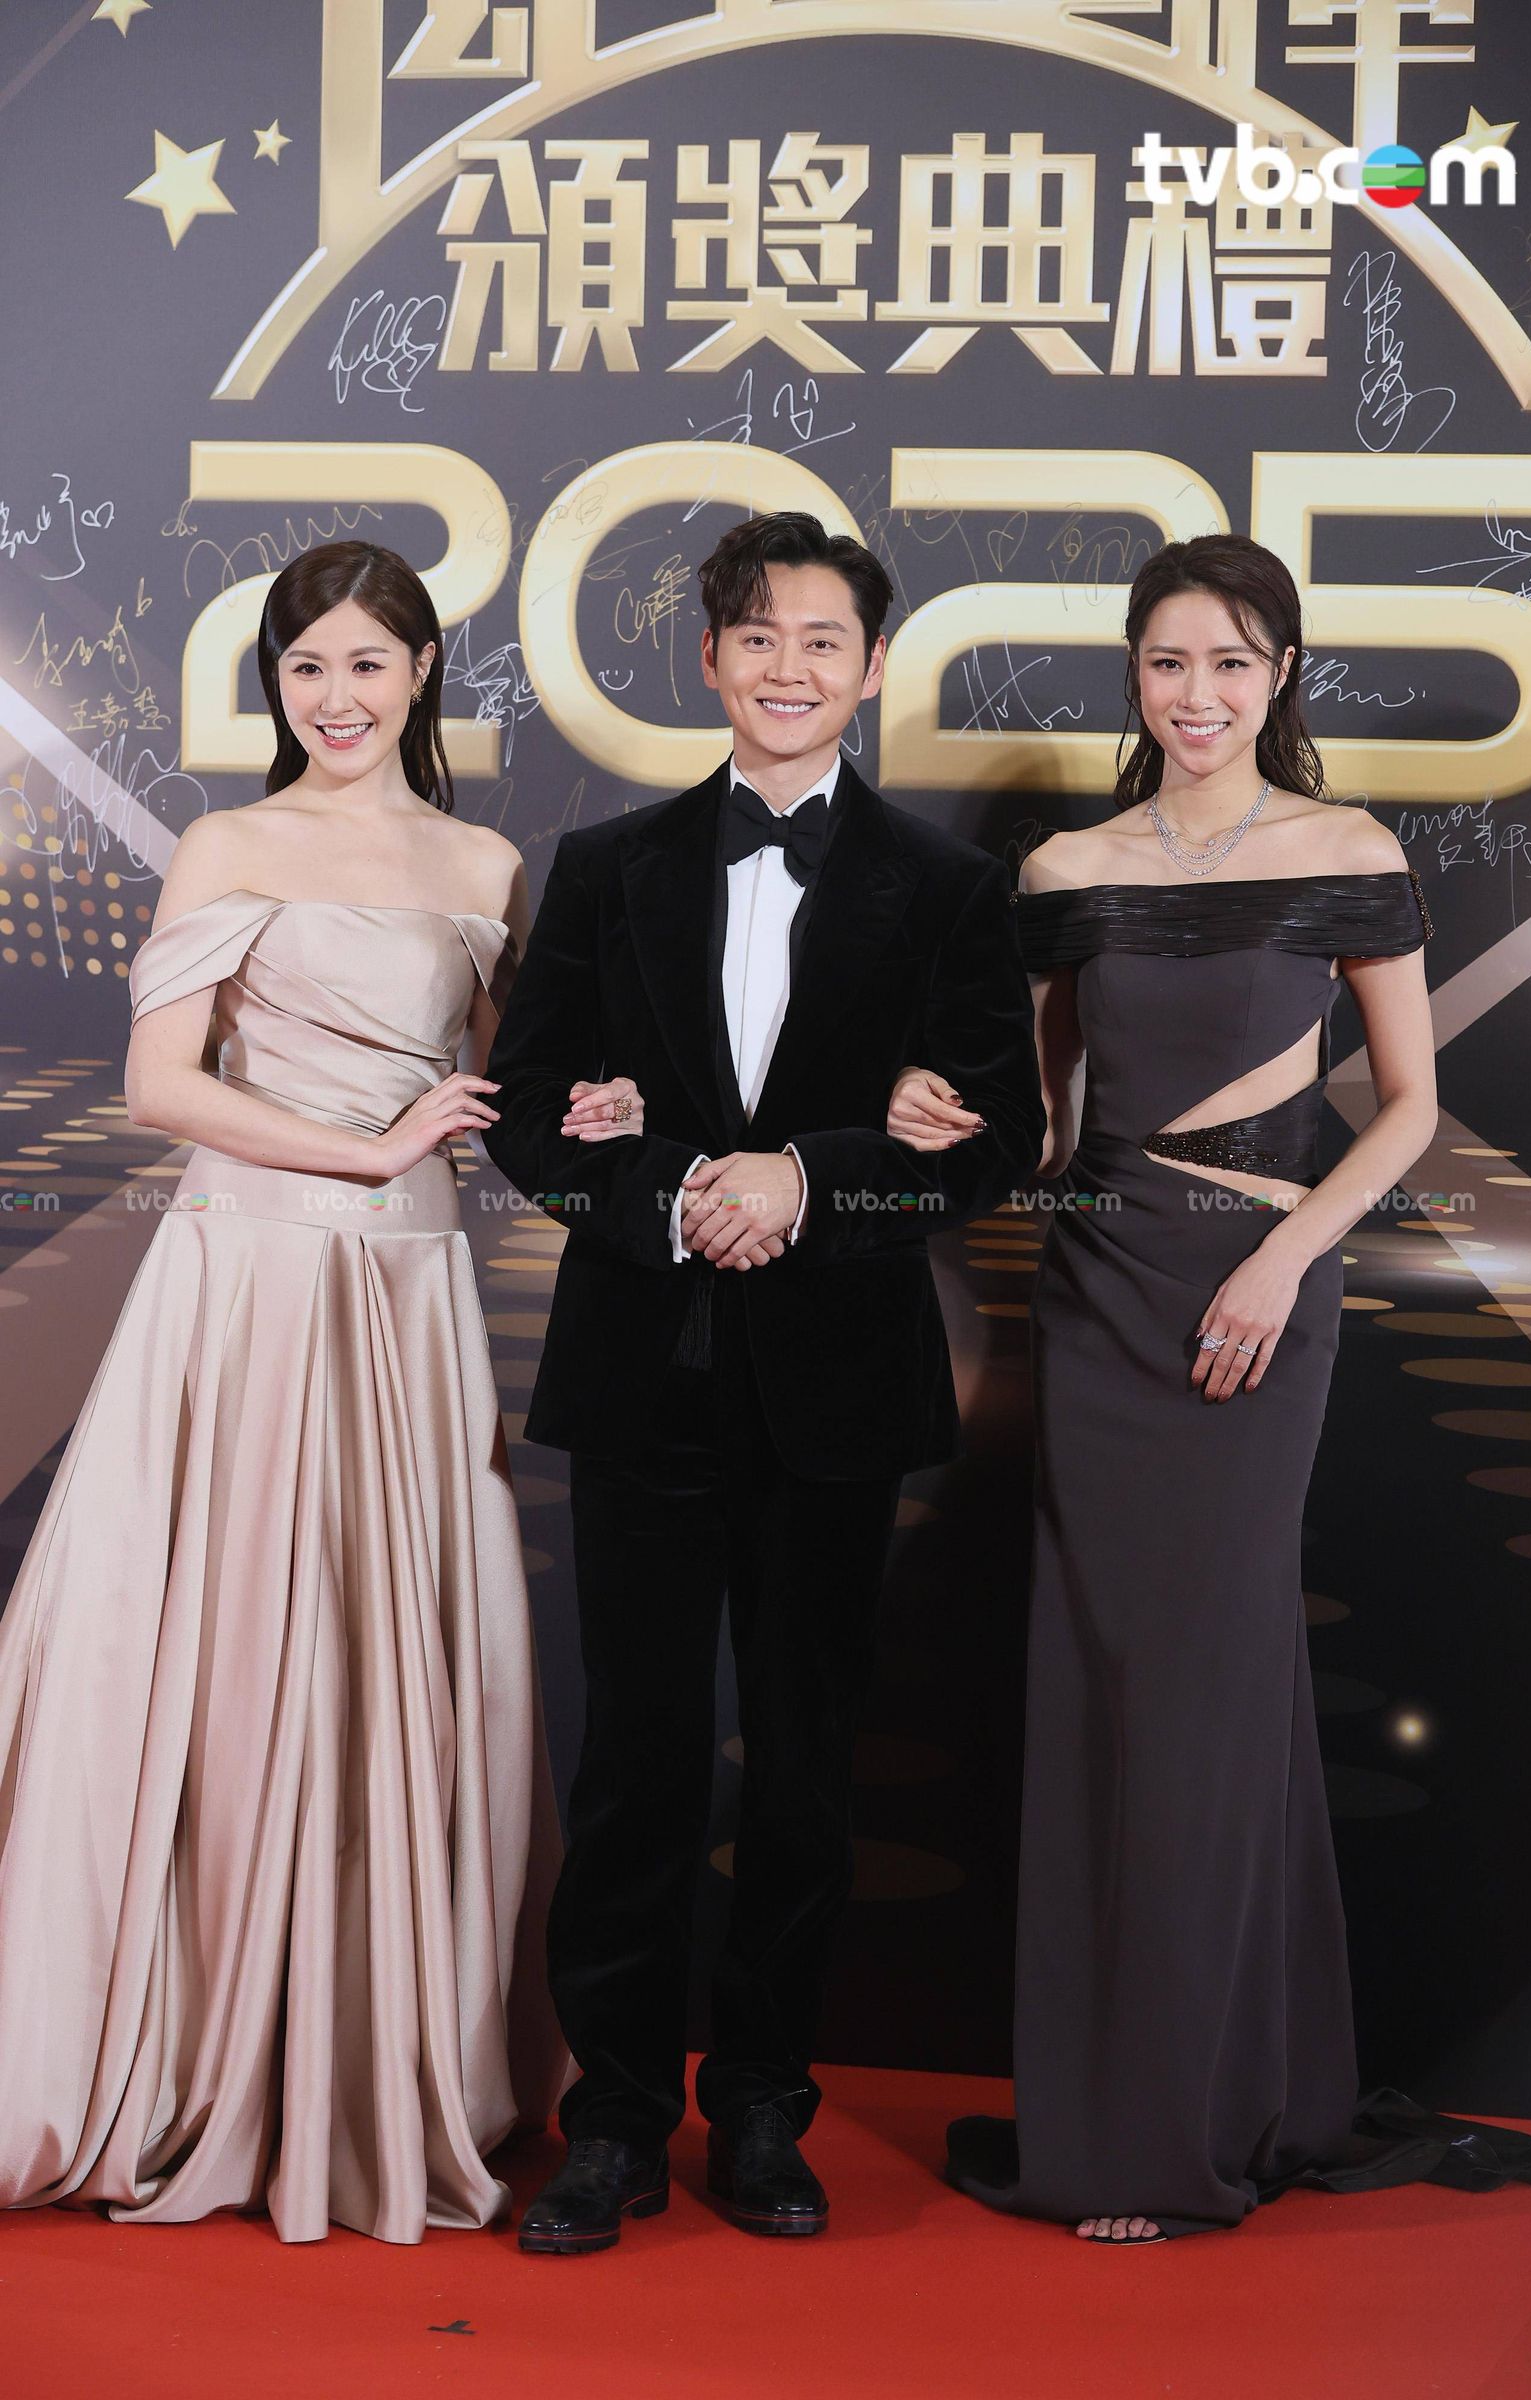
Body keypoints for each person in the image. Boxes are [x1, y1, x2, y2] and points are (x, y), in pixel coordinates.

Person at [888, 533, 1531, 2240]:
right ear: (1132, 677)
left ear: (1280, 674)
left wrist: (1288, 1259)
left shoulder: (1345, 850)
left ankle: (1171, 2134)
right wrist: (936, 1115)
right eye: (1166, 662)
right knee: (1109, 1693)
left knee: (1201, 1701)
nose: (1195, 694)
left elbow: (1409, 1105)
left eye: (1229, 662)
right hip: (1100, 1295)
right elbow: (1050, 1133)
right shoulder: (1069, 866)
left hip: (1257, 1301)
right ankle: (1185, 2097)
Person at [483, 510, 1046, 2253]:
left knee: (804, 1767)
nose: (788, 667)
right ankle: (614, 2123)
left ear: (871, 670)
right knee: (636, 1764)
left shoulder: (947, 889)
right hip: (641, 1375)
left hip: (839, 1387)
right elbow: (527, 1116)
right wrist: (673, 1195)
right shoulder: (603, 866)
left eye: (823, 641)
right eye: (758, 636)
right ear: (711, 658)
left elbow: (996, 1139)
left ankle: (763, 2109)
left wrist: (813, 1180)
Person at [0, 541, 566, 2244]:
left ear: (421, 675)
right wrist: (367, 1148)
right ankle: (193, 2045)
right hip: (247, 1280)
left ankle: (372, 2055)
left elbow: (506, 1089)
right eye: (306, 666)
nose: (336, 696)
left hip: (408, 1291)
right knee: (234, 1634)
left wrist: (583, 1119)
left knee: (394, 1648)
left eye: (368, 664)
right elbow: (160, 1085)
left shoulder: (483, 863)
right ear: (275, 681)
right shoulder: (228, 844)